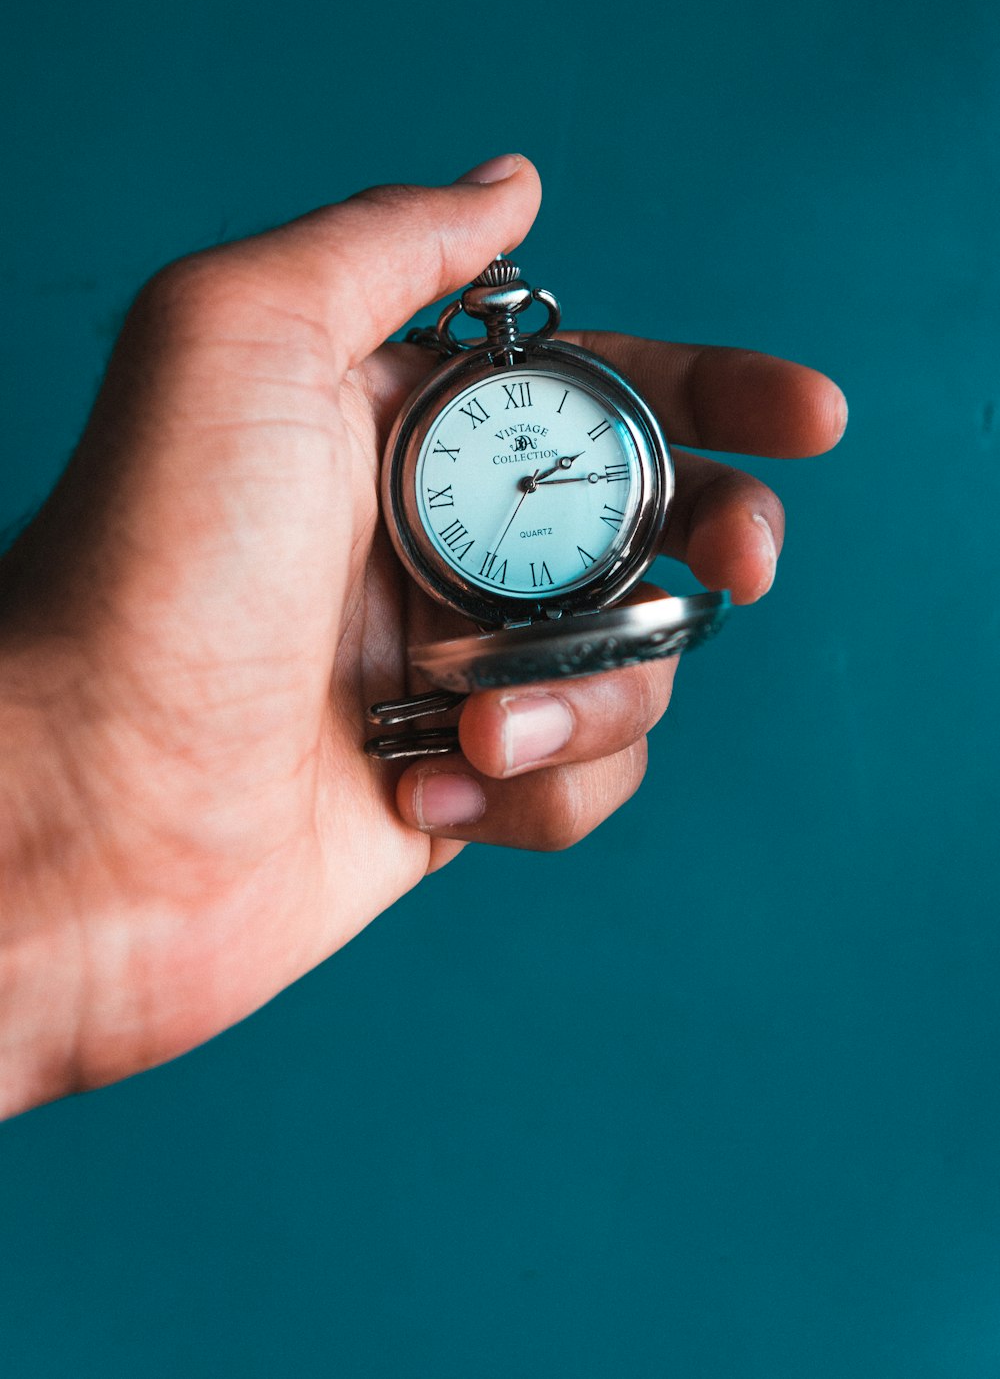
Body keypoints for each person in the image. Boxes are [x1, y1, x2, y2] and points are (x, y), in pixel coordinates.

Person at [0, 155, 847, 1118]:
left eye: (544, 472)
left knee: (571, 678)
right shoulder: (397, 438)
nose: (528, 480)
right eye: (514, 471)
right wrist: (67, 815)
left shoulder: (555, 433)